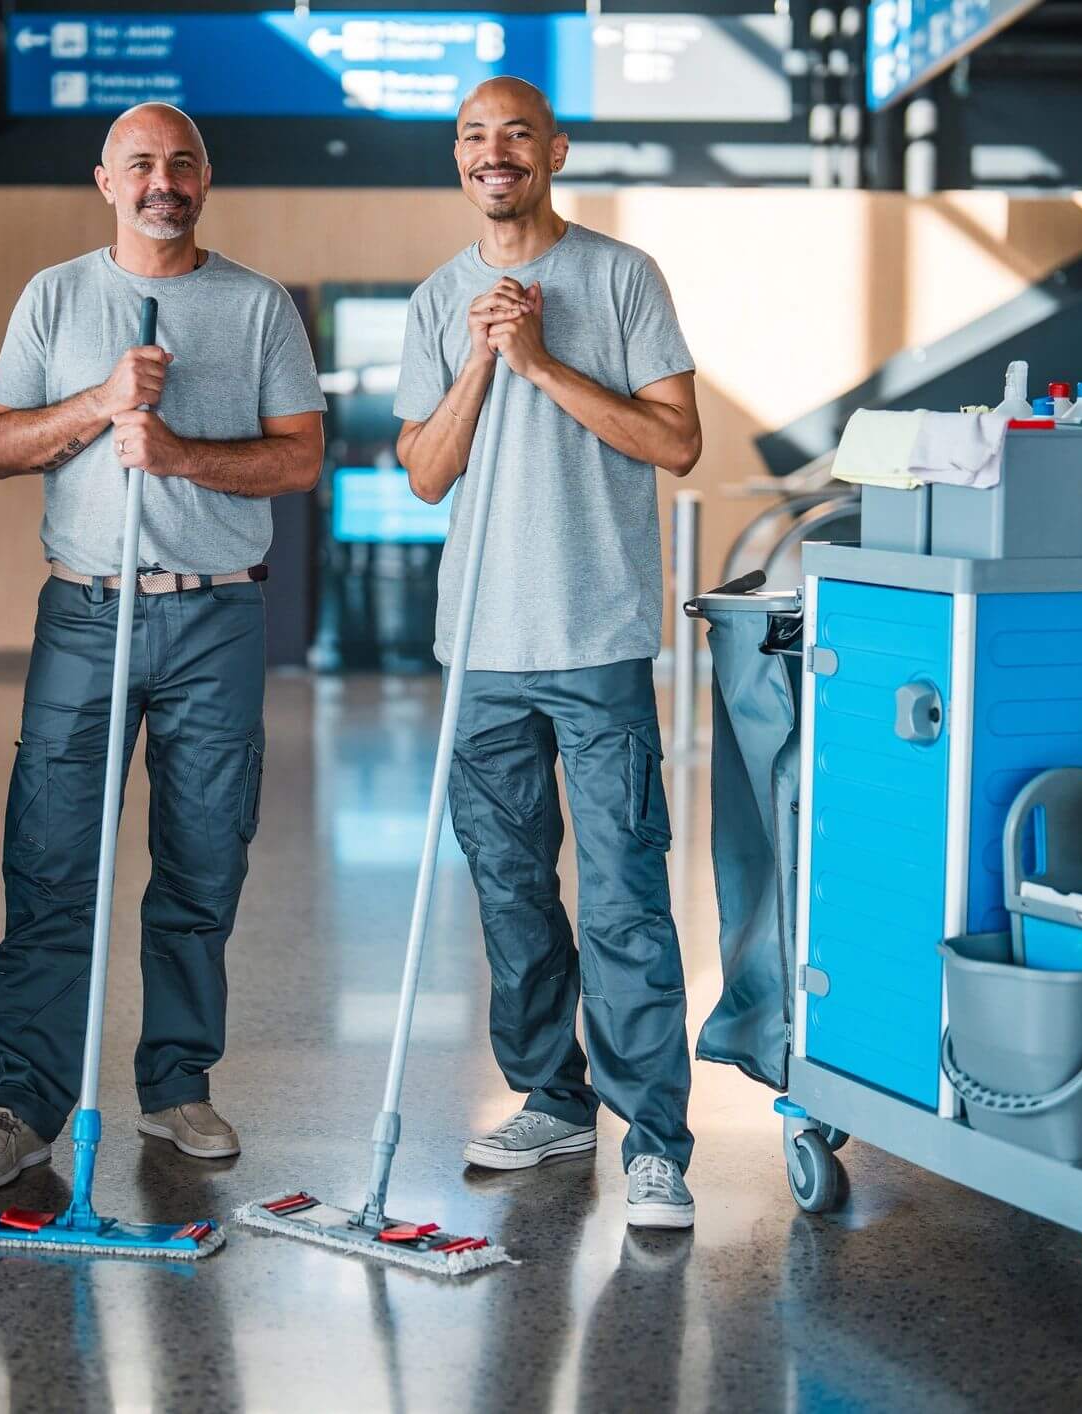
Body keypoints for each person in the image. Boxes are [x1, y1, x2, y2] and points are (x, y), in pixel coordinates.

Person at [0, 102, 325, 1189]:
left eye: (183, 163)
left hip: (217, 613)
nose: (164, 179)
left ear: (205, 179)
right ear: (105, 180)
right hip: (83, 609)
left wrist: (175, 452)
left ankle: (175, 1086)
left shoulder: (257, 308)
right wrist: (100, 403)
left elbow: (297, 461)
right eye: (142, 164)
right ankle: (24, 1097)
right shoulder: (55, 296)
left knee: (205, 859)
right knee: (52, 859)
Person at [393, 77, 703, 1228]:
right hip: (481, 645)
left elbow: (675, 439)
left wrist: (538, 361)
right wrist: (481, 358)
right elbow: (426, 472)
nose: (494, 152)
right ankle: (551, 1094)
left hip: (598, 637)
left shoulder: (622, 278)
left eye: (516, 133)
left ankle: (657, 1141)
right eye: (475, 137)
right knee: (511, 891)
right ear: (458, 161)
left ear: (555, 151)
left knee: (624, 897)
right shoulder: (437, 301)